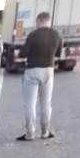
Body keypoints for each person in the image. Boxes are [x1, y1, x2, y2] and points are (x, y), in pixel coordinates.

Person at [16, 12, 62, 141]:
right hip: (48, 70)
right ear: (49, 21)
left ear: (39, 20)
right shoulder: (56, 34)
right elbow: (58, 52)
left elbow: (22, 53)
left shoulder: (33, 35)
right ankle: (45, 132)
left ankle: (30, 133)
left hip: (32, 70)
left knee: (30, 104)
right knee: (46, 103)